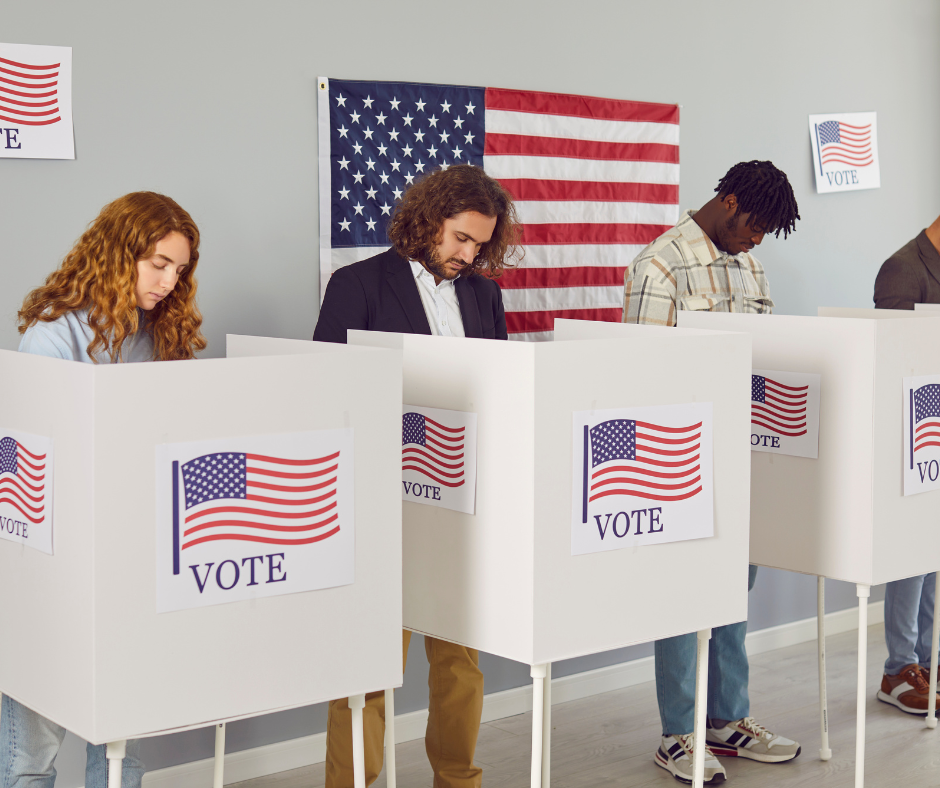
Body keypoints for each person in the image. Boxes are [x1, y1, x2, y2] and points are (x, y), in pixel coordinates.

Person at [314, 164, 520, 788]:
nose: (469, 253)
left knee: (460, 659)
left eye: (481, 243)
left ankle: (458, 779)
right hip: (381, 503)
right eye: (460, 238)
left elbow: (500, 394)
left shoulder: (484, 296)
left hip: (459, 505)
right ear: (428, 221)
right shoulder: (357, 284)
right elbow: (328, 394)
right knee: (370, 664)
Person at [1, 191, 205, 788]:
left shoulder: (161, 334)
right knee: (31, 752)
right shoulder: (53, 334)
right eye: (158, 264)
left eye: (180, 269)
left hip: (132, 558)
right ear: (119, 254)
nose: (170, 281)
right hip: (51, 565)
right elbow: (39, 463)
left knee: (119, 742)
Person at [623, 160, 801, 784]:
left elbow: (764, 356)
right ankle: (678, 734)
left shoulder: (750, 265)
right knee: (681, 595)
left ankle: (727, 721)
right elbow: (641, 375)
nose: (758, 241)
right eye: (755, 226)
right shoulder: (660, 265)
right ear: (727, 203)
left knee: (731, 591)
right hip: (680, 462)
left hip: (743, 450)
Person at [873, 214, 940, 714]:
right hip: (914, 434)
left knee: (934, 555)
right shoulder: (901, 270)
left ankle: (929, 659)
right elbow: (895, 363)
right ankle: (899, 666)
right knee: (913, 553)